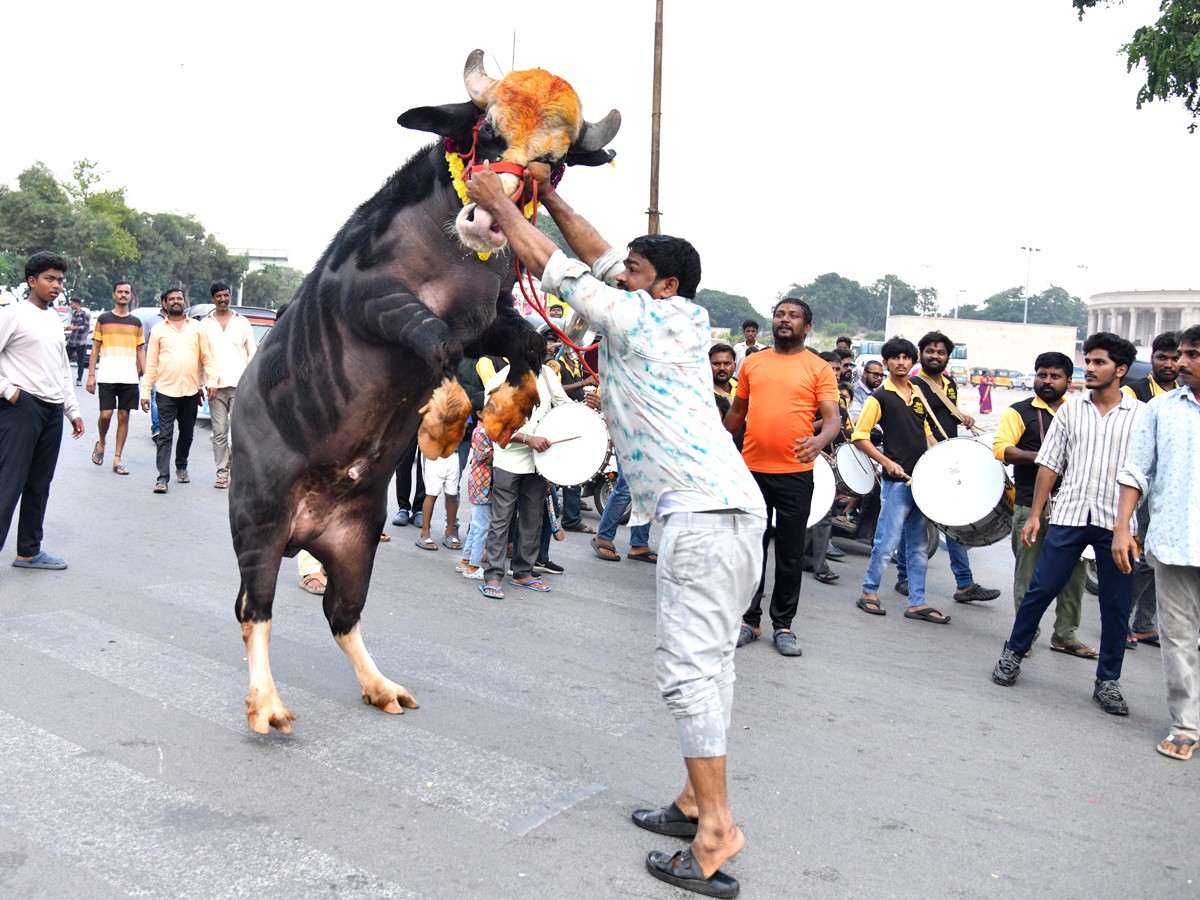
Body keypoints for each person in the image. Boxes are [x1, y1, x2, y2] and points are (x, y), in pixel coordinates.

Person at [469, 165, 766, 898]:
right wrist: (550, 195)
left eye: (633, 269)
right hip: (724, 514)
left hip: (703, 518)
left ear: (662, 284)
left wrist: (503, 205)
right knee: (713, 669)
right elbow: (596, 253)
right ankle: (696, 800)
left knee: (688, 673)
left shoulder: (649, 317)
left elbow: (564, 271)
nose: (620, 271)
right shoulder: (673, 311)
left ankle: (717, 831)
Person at [991, 333, 1142, 716]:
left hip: (1117, 525)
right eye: (1087, 361)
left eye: (1099, 363)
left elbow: (1143, 474)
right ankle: (1013, 652)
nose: (1089, 368)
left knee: (1115, 605)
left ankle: (1107, 681)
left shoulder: (1142, 417)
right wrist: (1037, 514)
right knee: (1040, 590)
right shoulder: (1071, 411)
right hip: (1070, 516)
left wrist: (1132, 528)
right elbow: (1050, 464)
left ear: (1120, 370)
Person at [723, 299, 840, 657]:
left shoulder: (819, 368)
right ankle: (749, 619)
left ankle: (783, 626)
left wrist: (820, 441)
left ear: (807, 327)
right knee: (750, 551)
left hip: (796, 475)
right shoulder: (753, 363)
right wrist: (716, 448)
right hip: (752, 473)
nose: (784, 320)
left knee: (789, 555)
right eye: (779, 314)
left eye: (793, 316)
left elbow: (832, 419)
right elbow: (737, 412)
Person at [1113, 325, 1200, 759]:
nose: (1181, 362)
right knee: (1179, 639)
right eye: (1181, 354)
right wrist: (1123, 527)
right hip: (1175, 544)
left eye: (1193, 355)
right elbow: (1136, 471)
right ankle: (1185, 725)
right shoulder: (1161, 409)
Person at [992, 352, 1095, 658]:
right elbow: (1002, 450)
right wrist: (1047, 459)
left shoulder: (1078, 412)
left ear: (1068, 380)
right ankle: (1024, 638)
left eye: (1055, 376)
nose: (1047, 382)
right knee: (1028, 574)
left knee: (1075, 574)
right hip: (1029, 505)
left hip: (1072, 508)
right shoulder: (1019, 412)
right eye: (1042, 375)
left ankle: (1065, 634)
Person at [898, 332, 1001, 605]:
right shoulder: (913, 385)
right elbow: (914, 423)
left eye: (941, 352)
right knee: (914, 521)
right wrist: (933, 448)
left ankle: (965, 584)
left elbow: (947, 412)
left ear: (947, 357)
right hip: (922, 460)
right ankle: (904, 576)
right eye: (930, 351)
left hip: (948, 458)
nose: (935, 356)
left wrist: (962, 417)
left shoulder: (949, 383)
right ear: (921, 354)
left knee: (956, 519)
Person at [0, 252, 85, 571]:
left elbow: (62, 368)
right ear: (31, 281)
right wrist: (9, 391)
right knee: (8, 482)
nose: (56, 286)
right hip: (21, 407)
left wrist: (71, 409)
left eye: (60, 280)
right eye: (50, 279)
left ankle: (28, 551)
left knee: (39, 483)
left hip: (51, 410)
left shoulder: (53, 318)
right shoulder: (13, 314)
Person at [479, 359, 571, 598]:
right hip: (508, 461)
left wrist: (586, 411)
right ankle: (493, 575)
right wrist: (528, 439)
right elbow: (493, 424)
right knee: (502, 519)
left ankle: (523, 572)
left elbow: (565, 409)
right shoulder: (499, 380)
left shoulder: (548, 376)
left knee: (532, 519)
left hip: (539, 463)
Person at [1119, 331, 1179, 647]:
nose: (1169, 364)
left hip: (1173, 490)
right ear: (1152, 358)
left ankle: (1144, 624)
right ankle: (1121, 623)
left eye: (1174, 357)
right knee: (1141, 558)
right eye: (1162, 357)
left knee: (1165, 556)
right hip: (1142, 487)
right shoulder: (1134, 391)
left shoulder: (1186, 394)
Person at [140, 288, 217, 494]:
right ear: (165, 304)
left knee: (187, 433)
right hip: (165, 390)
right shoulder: (158, 330)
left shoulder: (197, 328)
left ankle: (181, 466)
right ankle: (162, 477)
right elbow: (151, 364)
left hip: (191, 391)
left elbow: (206, 357)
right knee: (165, 435)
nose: (176, 302)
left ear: (185, 302)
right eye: (171, 299)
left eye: (179, 298)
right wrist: (146, 392)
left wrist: (211, 383)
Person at [85, 281, 146, 476]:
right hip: (107, 375)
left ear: (130, 296)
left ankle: (117, 458)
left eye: (126, 292)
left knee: (124, 416)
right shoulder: (103, 319)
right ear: (114, 295)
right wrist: (91, 375)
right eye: (119, 292)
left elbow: (140, 350)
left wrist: (145, 375)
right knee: (106, 415)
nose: (123, 295)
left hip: (129, 378)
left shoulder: (136, 322)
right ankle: (101, 442)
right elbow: (95, 347)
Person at [200, 282, 257, 489]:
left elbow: (252, 354)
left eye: (226, 295)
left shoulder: (242, 322)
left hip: (240, 386)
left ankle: (239, 472)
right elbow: (202, 356)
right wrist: (203, 383)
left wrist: (251, 383)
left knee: (241, 432)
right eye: (218, 296)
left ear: (230, 296)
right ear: (213, 298)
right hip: (215, 388)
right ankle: (222, 473)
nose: (223, 299)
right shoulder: (205, 324)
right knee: (219, 432)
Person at [801, 351, 851, 585]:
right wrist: (830, 422)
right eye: (829, 369)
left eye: (837, 369)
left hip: (833, 458)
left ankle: (806, 557)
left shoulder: (838, 395)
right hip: (813, 456)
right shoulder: (810, 393)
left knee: (820, 510)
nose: (834, 373)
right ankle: (820, 566)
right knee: (822, 514)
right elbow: (802, 426)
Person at [458, 417, 493, 579]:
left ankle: (466, 561)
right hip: (483, 484)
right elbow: (487, 458)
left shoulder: (485, 430)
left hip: (481, 484)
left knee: (476, 525)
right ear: (480, 413)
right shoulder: (482, 432)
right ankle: (474, 566)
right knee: (481, 527)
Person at [413, 447, 461, 551]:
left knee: (452, 495)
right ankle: (425, 534)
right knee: (431, 494)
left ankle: (450, 533)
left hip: (453, 452)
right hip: (434, 452)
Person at [141, 293, 169, 439]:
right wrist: (144, 366)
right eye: (169, 300)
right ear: (163, 302)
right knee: (155, 397)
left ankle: (166, 427)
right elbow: (144, 344)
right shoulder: (151, 321)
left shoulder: (182, 321)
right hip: (155, 366)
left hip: (173, 369)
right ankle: (157, 429)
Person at [65, 297, 91, 385]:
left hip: (80, 341)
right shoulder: (73, 314)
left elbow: (86, 328)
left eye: (72, 304)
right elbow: (72, 325)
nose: (71, 305)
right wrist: (68, 328)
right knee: (64, 359)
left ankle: (79, 379)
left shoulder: (85, 315)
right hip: (72, 340)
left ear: (77, 304)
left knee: (80, 361)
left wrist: (75, 327)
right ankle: (62, 377)